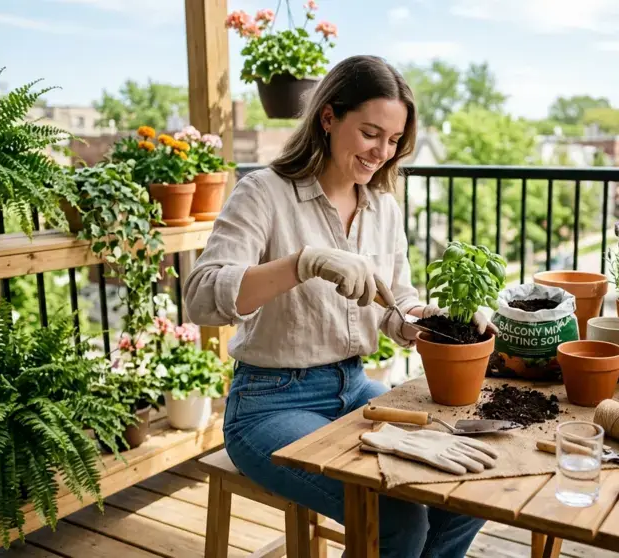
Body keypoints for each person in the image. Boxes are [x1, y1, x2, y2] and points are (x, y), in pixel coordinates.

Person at [183, 55, 493, 558]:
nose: (381, 152)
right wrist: (303, 263)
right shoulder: (263, 193)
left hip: (356, 390)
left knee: (469, 492)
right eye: (371, 133)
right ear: (328, 118)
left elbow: (397, 304)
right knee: (397, 522)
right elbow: (201, 297)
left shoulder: (382, 207)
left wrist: (433, 321)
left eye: (393, 141)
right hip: (269, 404)